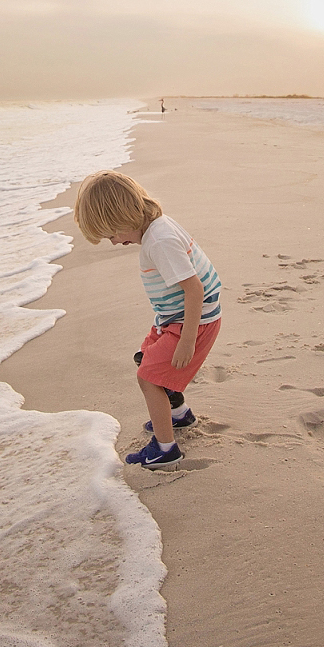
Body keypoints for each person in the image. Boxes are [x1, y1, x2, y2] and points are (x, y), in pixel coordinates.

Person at [73, 170, 223, 470]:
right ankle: (178, 415)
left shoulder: (160, 242)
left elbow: (195, 290)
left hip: (193, 321)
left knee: (148, 377)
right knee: (146, 358)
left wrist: (187, 342)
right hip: (173, 318)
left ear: (123, 217)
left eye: (112, 234)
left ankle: (166, 450)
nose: (115, 243)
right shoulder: (157, 228)